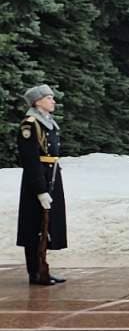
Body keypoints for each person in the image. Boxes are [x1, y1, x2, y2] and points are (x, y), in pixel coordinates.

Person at [17, 85, 66, 286]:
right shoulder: (30, 124)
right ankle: (35, 272)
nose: (53, 101)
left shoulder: (48, 123)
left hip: (51, 175)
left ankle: (42, 268)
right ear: (37, 102)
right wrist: (40, 190)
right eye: (49, 98)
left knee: (46, 225)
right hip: (37, 179)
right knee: (34, 225)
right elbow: (30, 160)